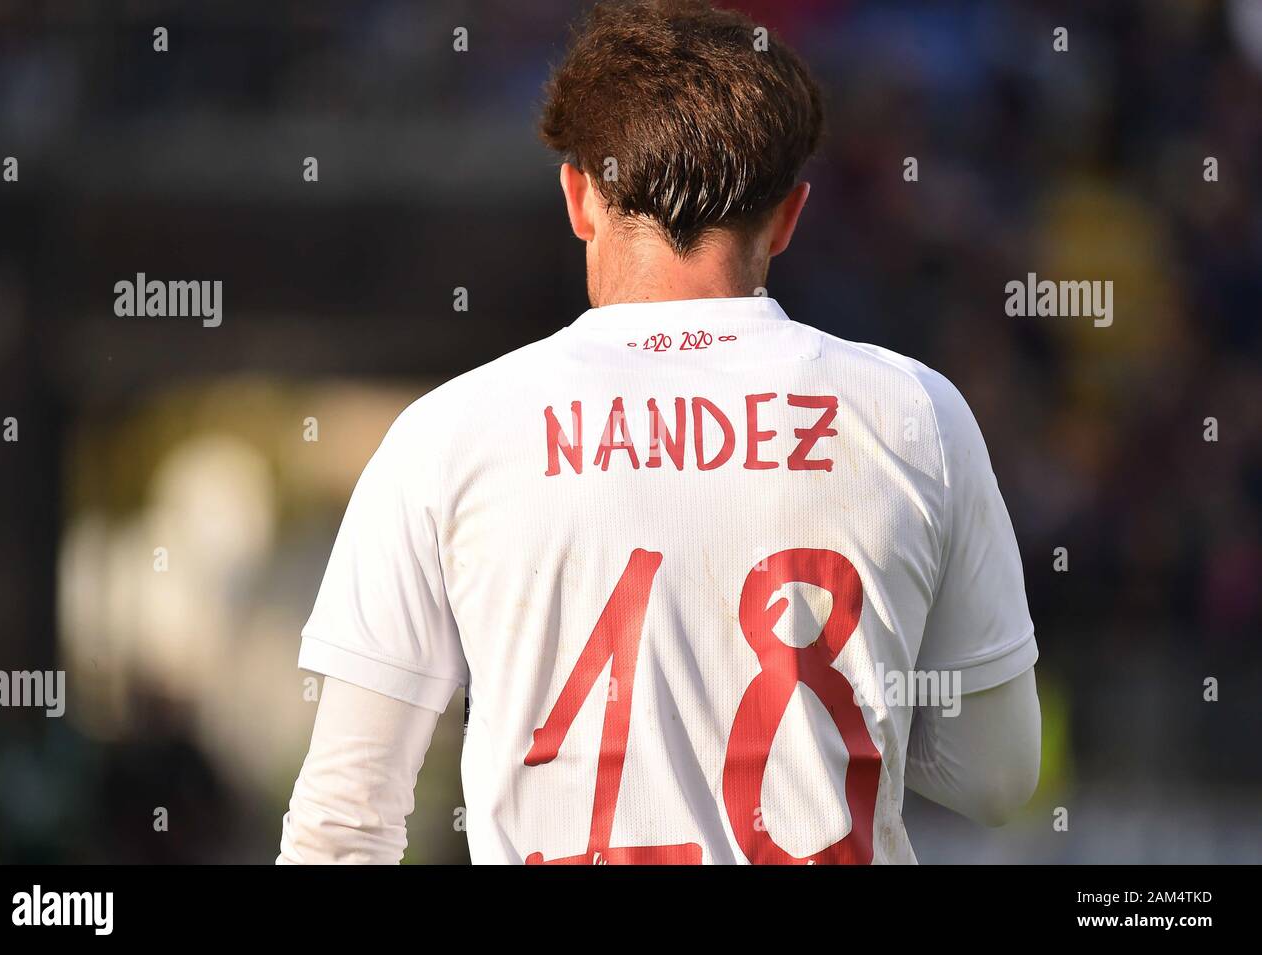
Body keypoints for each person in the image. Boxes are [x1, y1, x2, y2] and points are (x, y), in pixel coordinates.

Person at [278, 0, 1040, 865]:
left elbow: (342, 825)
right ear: (789, 216)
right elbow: (999, 775)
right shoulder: (916, 414)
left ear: (578, 196)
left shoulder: (447, 434)